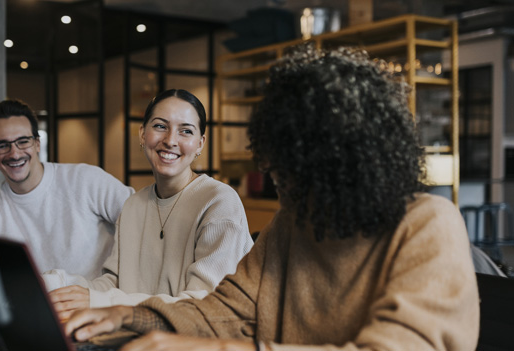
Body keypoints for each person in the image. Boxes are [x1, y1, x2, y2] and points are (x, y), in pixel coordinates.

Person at [62, 46, 480, 351]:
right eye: (278, 163)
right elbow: (227, 309)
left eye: (295, 168)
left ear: (351, 158)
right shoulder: (291, 224)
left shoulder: (428, 224)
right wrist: (129, 316)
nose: (278, 179)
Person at [43, 89, 254, 321]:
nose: (171, 140)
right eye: (160, 126)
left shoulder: (219, 201)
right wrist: (61, 286)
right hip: (140, 332)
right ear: (142, 134)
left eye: (186, 131)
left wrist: (98, 301)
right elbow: (116, 282)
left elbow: (202, 307)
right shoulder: (134, 204)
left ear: (200, 144)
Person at [0, 99, 134, 280]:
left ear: (37, 143)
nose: (14, 153)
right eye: (2, 145)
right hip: (37, 306)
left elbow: (143, 220)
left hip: (101, 301)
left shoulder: (85, 179)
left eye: (23, 141)